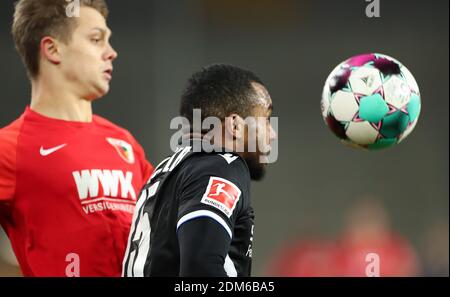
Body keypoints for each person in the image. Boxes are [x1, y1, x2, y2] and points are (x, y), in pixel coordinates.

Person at [0, 0, 153, 276]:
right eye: (96, 39)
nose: (112, 53)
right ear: (52, 49)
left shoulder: (125, 144)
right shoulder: (10, 148)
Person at [122, 64, 277, 276]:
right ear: (235, 126)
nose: (273, 134)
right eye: (266, 120)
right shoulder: (222, 165)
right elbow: (201, 269)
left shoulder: (164, 173)